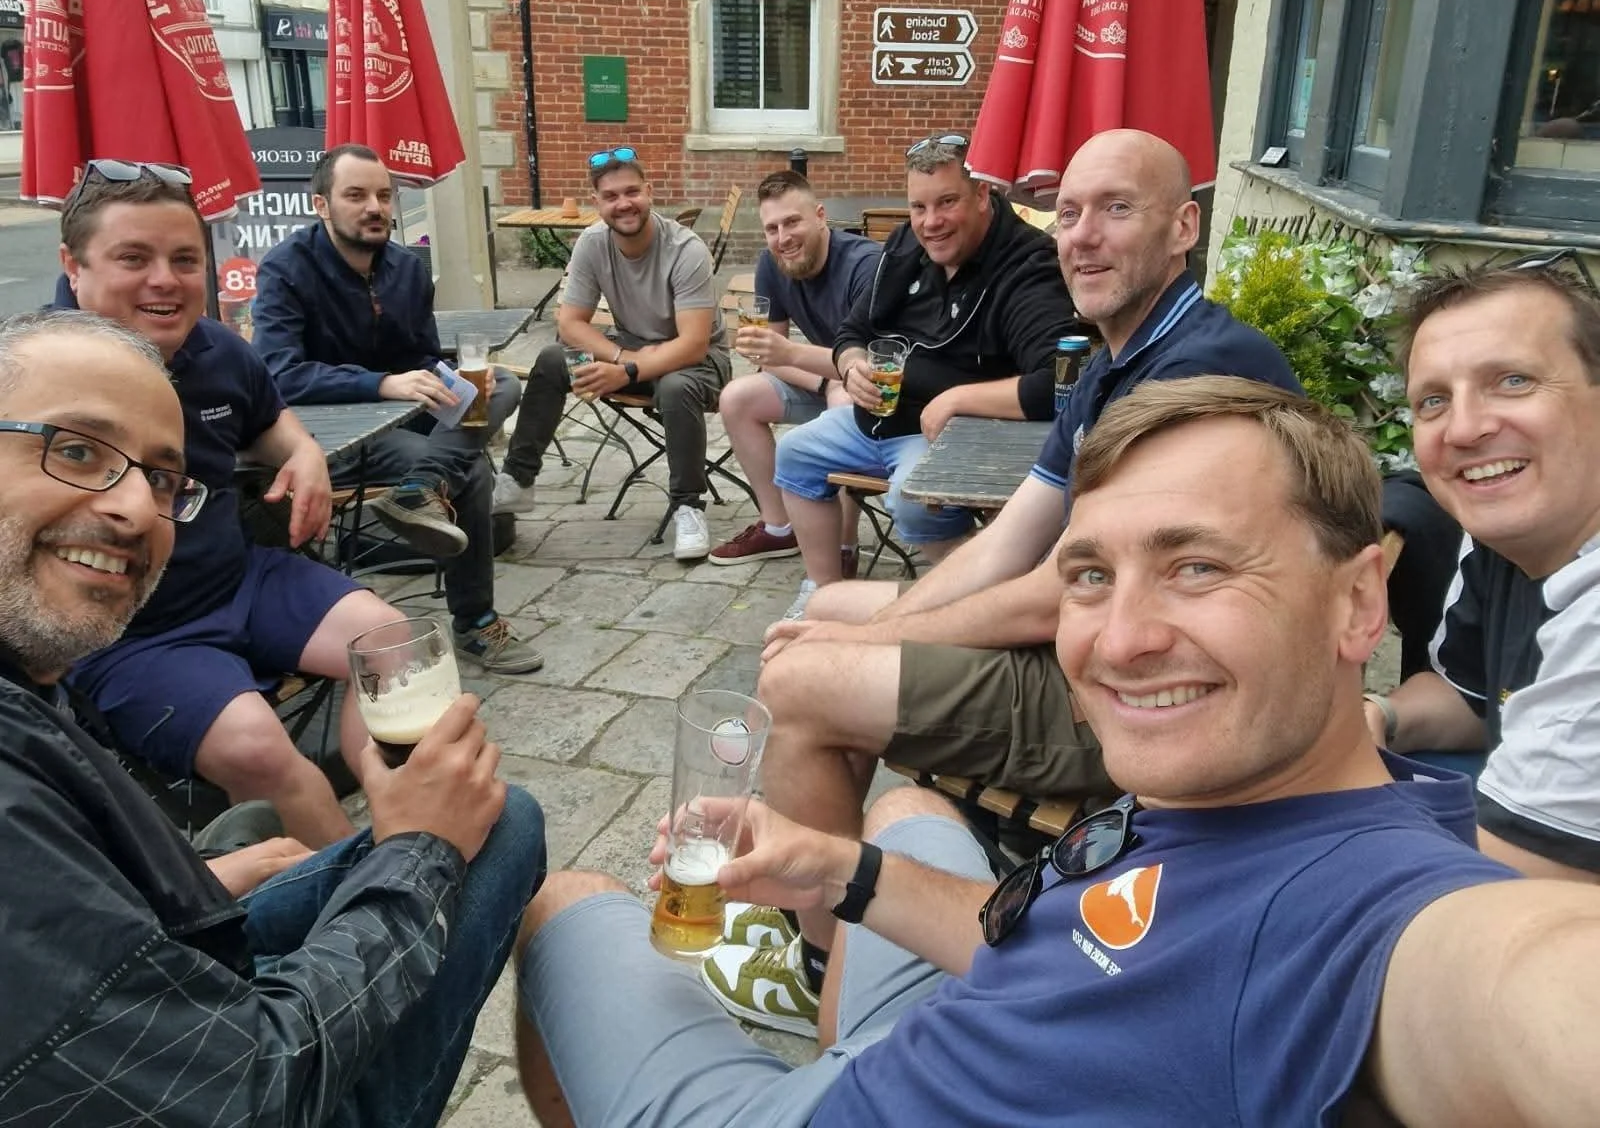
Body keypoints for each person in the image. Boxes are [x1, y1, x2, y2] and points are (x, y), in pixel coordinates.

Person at [513, 375, 1600, 1127]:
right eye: (1090, 576)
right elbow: (1105, 954)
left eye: (1197, 568)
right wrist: (836, 871)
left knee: (564, 899)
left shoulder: (1382, 917)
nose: (1119, 642)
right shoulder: (1270, 793)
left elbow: (1529, 997)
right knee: (906, 813)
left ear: (1359, 602)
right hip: (973, 1020)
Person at [718, 129, 1302, 1034]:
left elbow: (1059, 595)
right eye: (1068, 213)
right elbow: (1010, 543)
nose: (1082, 236)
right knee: (826, 603)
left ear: (1183, 228)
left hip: (1139, 698)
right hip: (1083, 646)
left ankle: (824, 965)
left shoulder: (1196, 377)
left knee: (800, 683)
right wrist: (856, 629)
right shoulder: (1114, 363)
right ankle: (840, 893)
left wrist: (869, 643)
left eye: (1116, 209)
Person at [0, 309, 546, 1126]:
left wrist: (168, 893)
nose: (136, 509)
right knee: (503, 830)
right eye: (76, 451)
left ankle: (341, 848)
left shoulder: (28, 695)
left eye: (164, 479)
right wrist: (418, 853)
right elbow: (248, 1091)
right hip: (254, 1084)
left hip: (245, 592)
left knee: (386, 648)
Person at [55, 163, 408, 846]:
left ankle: (403, 832)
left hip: (240, 578)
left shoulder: (215, 348)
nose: (165, 279)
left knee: (396, 650)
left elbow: (271, 422)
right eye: (134, 258)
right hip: (131, 634)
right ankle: (365, 893)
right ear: (75, 266)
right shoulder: (34, 376)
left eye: (185, 260)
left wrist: (303, 454)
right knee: (260, 750)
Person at [252, 143, 542, 676]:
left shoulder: (407, 267)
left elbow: (420, 355)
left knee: (499, 385)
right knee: (473, 470)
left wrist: (450, 377)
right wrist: (380, 383)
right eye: (356, 195)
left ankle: (421, 486)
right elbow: (279, 373)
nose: (375, 208)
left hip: (407, 405)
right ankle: (475, 623)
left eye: (384, 196)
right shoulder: (286, 268)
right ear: (321, 205)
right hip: (338, 432)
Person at [769, 132, 1073, 620]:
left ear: (982, 195)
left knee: (910, 499)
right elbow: (853, 331)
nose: (931, 222)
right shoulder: (907, 243)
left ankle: (984, 605)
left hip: (951, 434)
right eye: (919, 207)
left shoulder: (1027, 264)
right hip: (874, 418)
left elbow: (1057, 385)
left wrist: (957, 399)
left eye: (947, 202)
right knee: (795, 452)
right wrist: (851, 366)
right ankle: (823, 593)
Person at [1372, 263, 1600, 883]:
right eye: (1434, 400)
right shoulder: (1507, 537)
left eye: (1513, 381)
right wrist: (1380, 717)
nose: (1466, 429)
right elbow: (1469, 697)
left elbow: (1492, 892)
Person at [490, 148, 728, 561]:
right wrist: (621, 360)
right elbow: (570, 323)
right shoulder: (592, 242)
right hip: (629, 354)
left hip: (698, 365)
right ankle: (518, 480)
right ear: (596, 202)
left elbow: (693, 343)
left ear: (649, 192)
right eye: (611, 196)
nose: (624, 204)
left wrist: (630, 370)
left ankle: (688, 506)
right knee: (553, 359)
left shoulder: (685, 249)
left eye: (632, 192)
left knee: (675, 387)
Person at [706, 170, 881, 571]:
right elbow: (771, 356)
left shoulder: (864, 265)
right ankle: (778, 527)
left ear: (819, 216)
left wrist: (834, 382)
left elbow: (870, 366)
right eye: (772, 228)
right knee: (737, 397)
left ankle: (843, 548)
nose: (783, 238)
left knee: (843, 401)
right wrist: (823, 380)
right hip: (823, 377)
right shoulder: (772, 263)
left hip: (873, 388)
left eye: (792, 222)